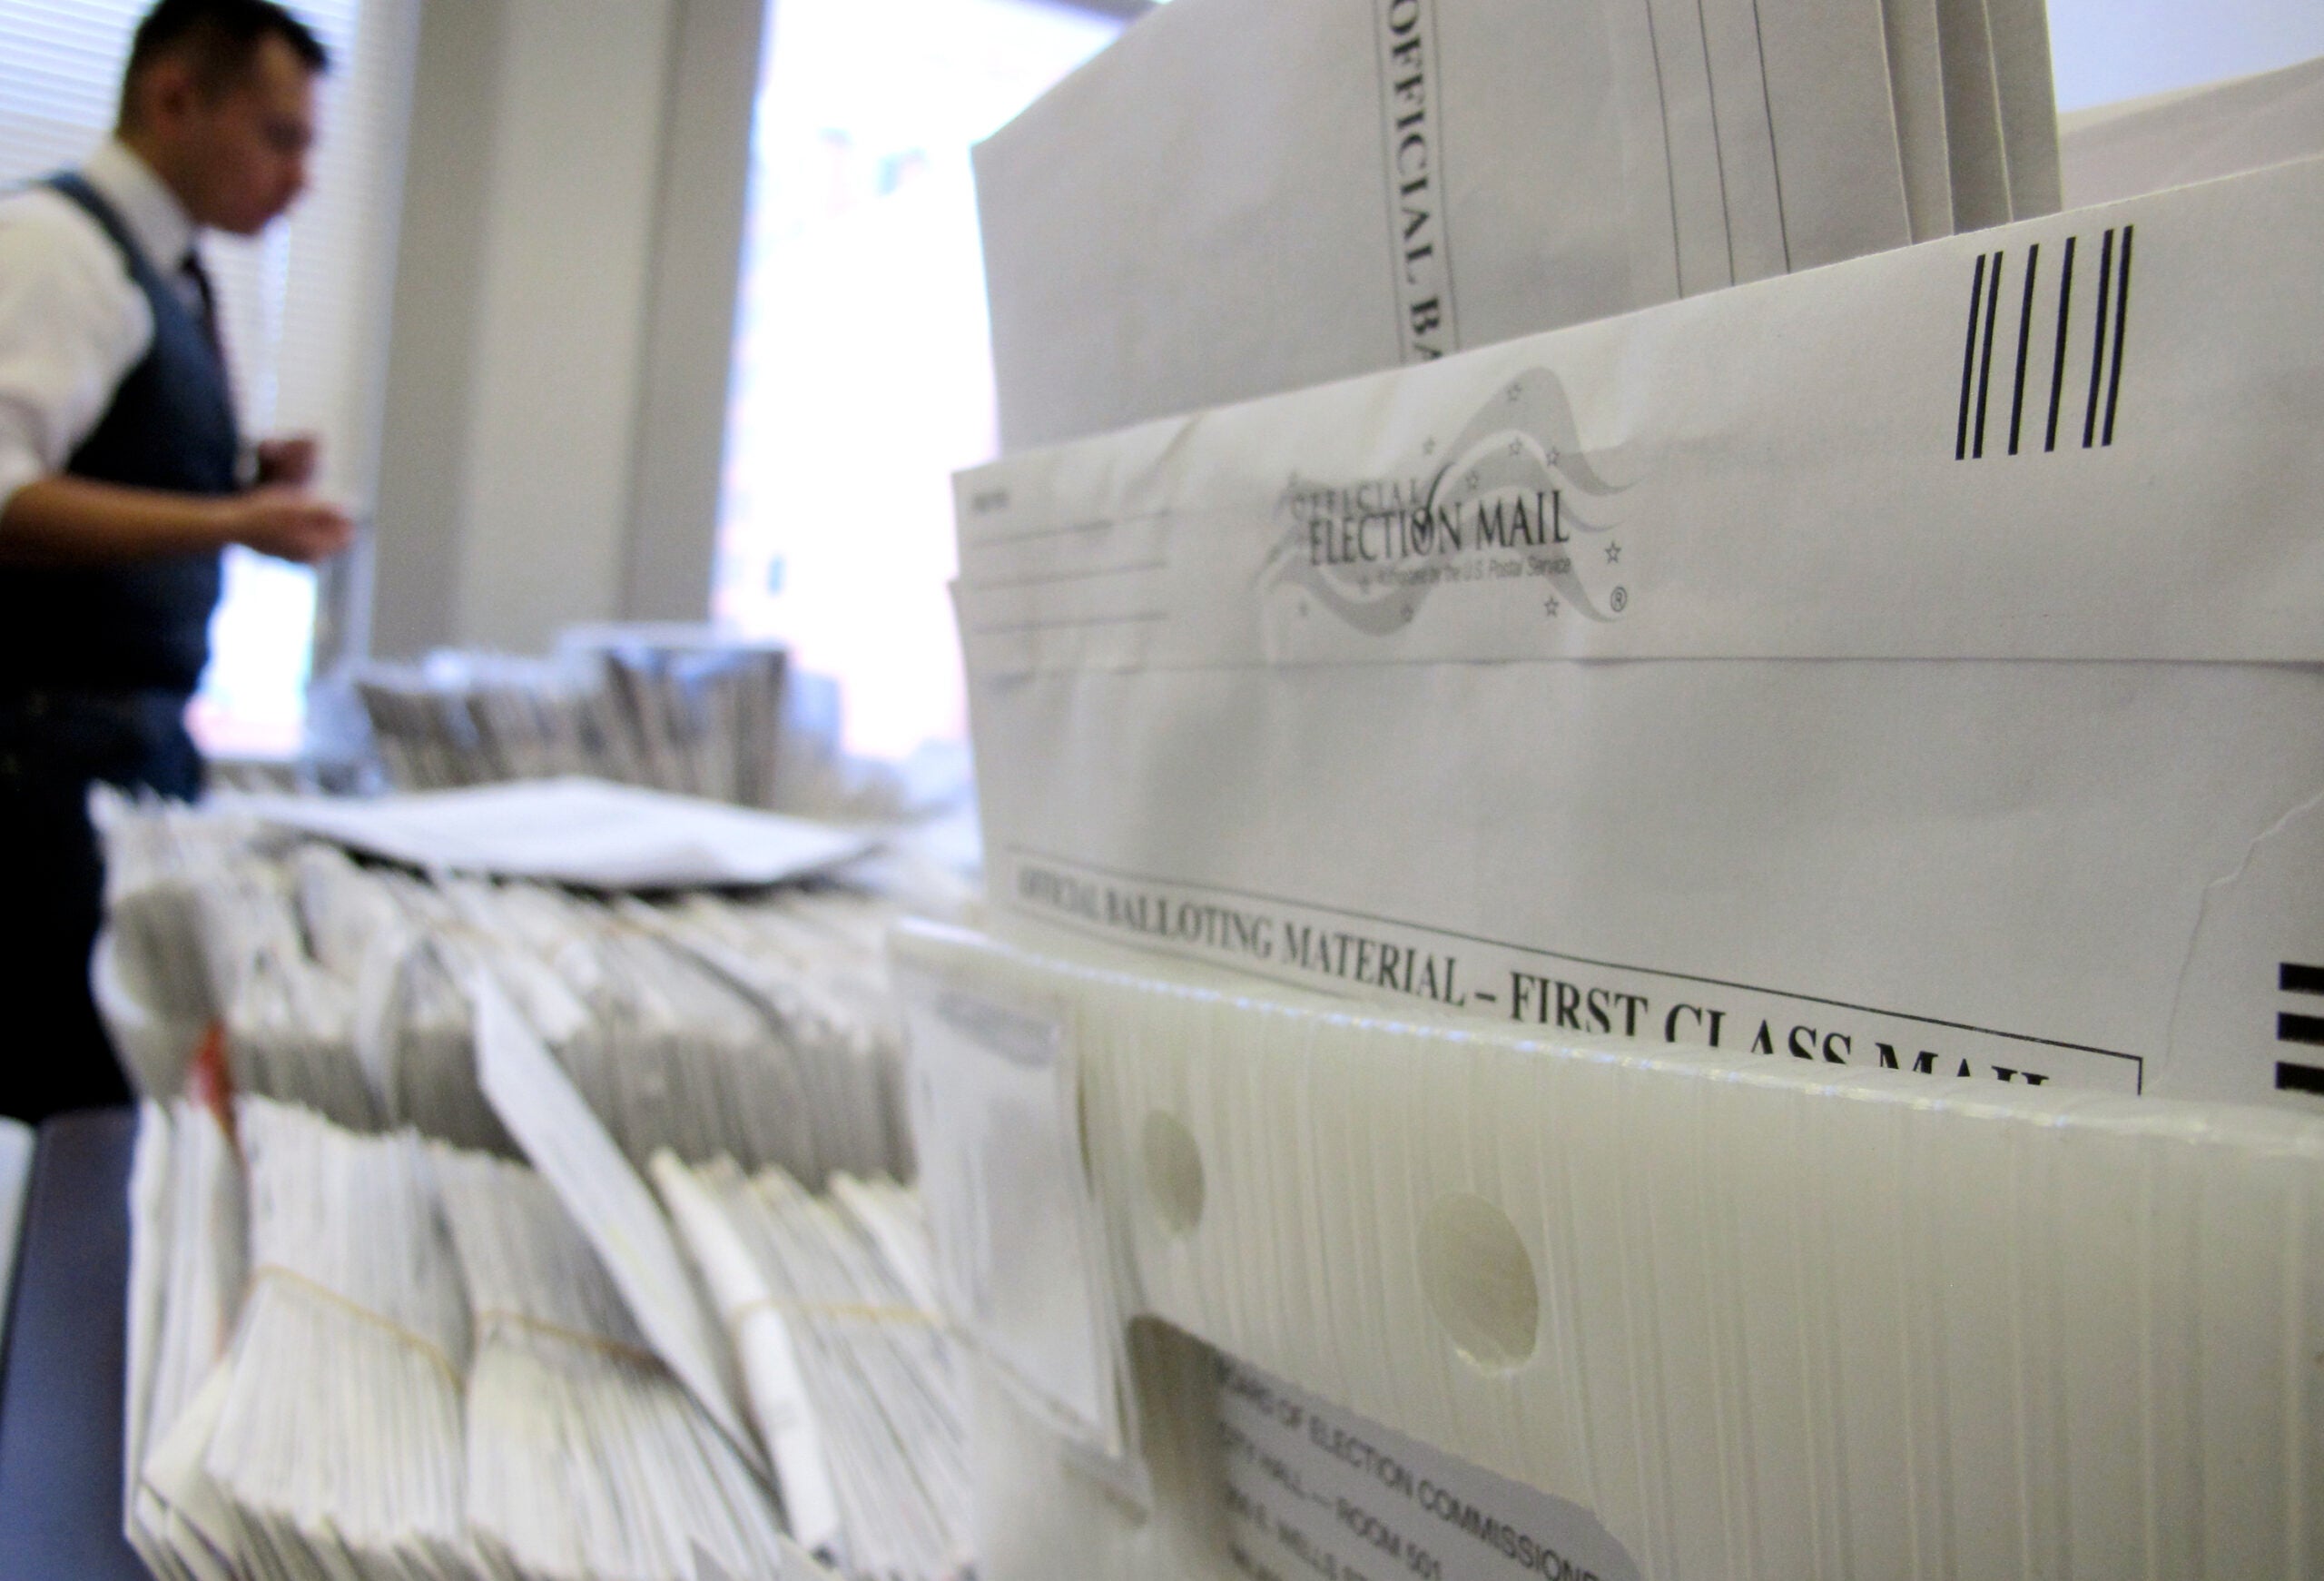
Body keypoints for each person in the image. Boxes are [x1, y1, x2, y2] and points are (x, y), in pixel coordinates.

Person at [0, 0, 354, 1122]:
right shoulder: (59, 250)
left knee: (107, 1094)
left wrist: (238, 476)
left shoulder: (171, 271)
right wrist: (230, 522)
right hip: (35, 763)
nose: (299, 179)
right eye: (280, 137)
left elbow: (95, 456)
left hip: (114, 755)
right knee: (56, 1102)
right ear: (174, 98)